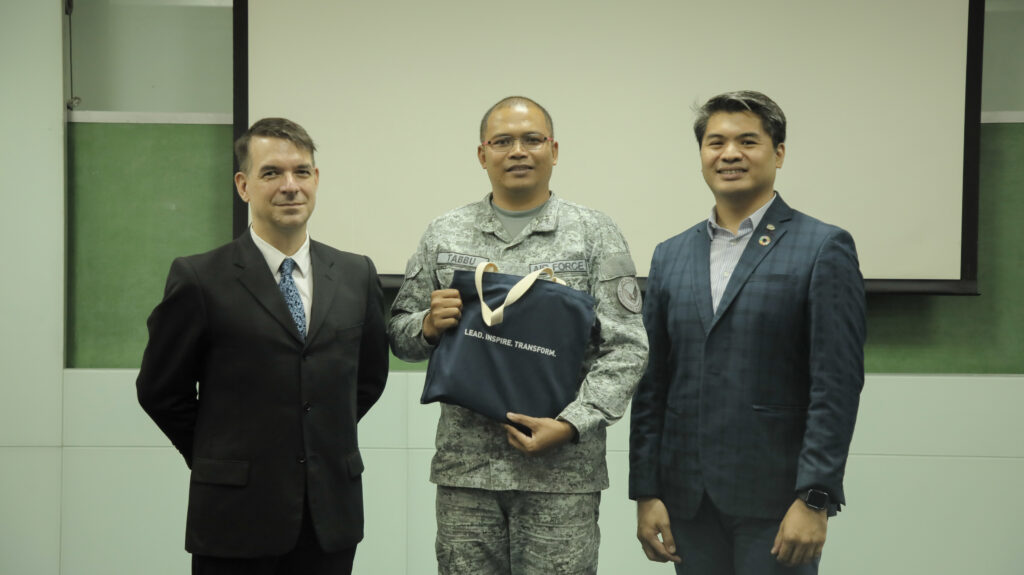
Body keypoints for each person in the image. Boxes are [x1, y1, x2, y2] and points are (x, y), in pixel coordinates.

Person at [388, 96, 648, 574]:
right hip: (466, 474)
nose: (518, 151)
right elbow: (401, 335)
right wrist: (426, 325)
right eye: (502, 141)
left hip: (562, 476)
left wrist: (572, 424)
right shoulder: (444, 233)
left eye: (532, 140)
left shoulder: (595, 234)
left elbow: (626, 348)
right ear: (482, 153)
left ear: (553, 149)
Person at [137, 117, 389, 574]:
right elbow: (161, 390)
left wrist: (313, 442)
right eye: (272, 173)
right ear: (243, 185)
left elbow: (368, 379)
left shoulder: (356, 273)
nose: (290, 186)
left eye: (302, 172)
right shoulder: (200, 278)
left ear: (316, 180)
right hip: (234, 517)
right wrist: (221, 455)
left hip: (329, 517)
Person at [629, 91, 866, 574]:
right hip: (687, 502)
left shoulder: (823, 246)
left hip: (779, 504)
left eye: (747, 141)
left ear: (778, 153)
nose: (729, 154)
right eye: (715, 142)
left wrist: (815, 497)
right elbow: (652, 384)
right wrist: (646, 491)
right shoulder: (669, 254)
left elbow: (835, 386)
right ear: (701, 156)